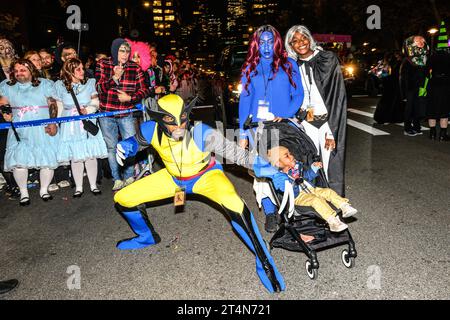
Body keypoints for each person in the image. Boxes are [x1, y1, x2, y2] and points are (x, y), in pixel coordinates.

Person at [114, 94, 287, 293]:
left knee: (236, 206)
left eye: (183, 119)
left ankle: (264, 262)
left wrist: (271, 171)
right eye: (171, 121)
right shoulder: (149, 129)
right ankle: (146, 237)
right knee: (123, 198)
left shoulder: (200, 133)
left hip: (206, 176)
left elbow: (237, 154)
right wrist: (127, 145)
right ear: (159, 119)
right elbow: (136, 142)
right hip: (173, 179)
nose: (179, 126)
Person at [239, 24, 304, 233]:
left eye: (270, 41)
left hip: (285, 126)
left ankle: (295, 204)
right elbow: (245, 101)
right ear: (256, 45)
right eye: (261, 42)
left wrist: (286, 114)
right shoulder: (250, 67)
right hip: (258, 128)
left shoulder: (289, 64)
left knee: (289, 166)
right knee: (263, 173)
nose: (266, 46)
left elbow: (298, 95)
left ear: (276, 42)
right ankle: (270, 212)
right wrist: (242, 132)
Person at [285, 25, 347, 197]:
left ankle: (334, 205)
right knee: (308, 163)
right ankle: (312, 207)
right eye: (295, 41)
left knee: (330, 163)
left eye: (303, 37)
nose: (301, 43)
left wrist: (333, 128)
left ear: (310, 39)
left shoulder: (327, 59)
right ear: (290, 45)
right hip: (305, 122)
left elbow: (337, 95)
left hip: (327, 122)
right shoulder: (290, 66)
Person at [0, 59, 59, 206]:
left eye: (23, 70)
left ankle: (44, 190)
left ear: (31, 70)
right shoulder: (7, 86)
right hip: (19, 129)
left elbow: (53, 104)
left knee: (46, 159)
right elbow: (3, 103)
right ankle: (24, 192)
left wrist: (53, 122)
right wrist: (5, 113)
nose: (19, 73)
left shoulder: (45, 84)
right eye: (17, 70)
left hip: (42, 127)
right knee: (19, 160)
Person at [95, 38, 150, 191]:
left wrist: (130, 98)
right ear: (114, 51)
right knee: (112, 147)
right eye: (121, 51)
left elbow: (144, 90)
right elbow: (99, 89)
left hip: (126, 113)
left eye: (127, 51)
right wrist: (114, 78)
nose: (125, 55)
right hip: (106, 113)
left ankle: (130, 176)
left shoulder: (135, 67)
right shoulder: (103, 64)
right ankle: (117, 179)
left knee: (130, 145)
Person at [267, 145, 358, 232]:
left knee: (328, 191)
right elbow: (284, 189)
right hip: (298, 197)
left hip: (311, 189)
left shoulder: (297, 167)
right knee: (315, 200)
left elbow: (306, 177)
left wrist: (313, 169)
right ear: (279, 163)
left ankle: (344, 206)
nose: (291, 156)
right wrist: (287, 179)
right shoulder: (280, 177)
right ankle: (332, 221)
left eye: (290, 153)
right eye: (286, 156)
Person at [54, 58, 108, 197]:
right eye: (78, 69)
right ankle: (78, 187)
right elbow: (59, 107)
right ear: (69, 71)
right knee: (75, 156)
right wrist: (55, 123)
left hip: (87, 121)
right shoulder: (60, 85)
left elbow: (96, 102)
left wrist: (88, 109)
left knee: (91, 155)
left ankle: (93, 185)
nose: (82, 71)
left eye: (82, 68)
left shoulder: (90, 83)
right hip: (70, 125)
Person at [400, 35, 429, 137]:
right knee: (409, 109)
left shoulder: (423, 60)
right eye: (418, 42)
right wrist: (403, 94)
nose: (421, 44)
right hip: (410, 89)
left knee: (418, 108)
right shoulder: (407, 61)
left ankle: (417, 126)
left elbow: (425, 74)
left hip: (419, 88)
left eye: (422, 41)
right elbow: (402, 79)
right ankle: (407, 128)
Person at [426, 21, 450, 141]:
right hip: (446, 84)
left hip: (433, 84)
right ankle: (443, 134)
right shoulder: (449, 57)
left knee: (432, 108)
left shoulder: (432, 57)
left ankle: (432, 133)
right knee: (444, 110)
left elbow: (426, 72)